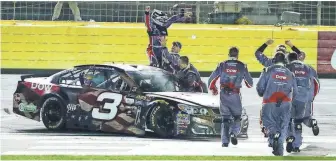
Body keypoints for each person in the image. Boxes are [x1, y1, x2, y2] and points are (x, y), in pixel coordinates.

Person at [208, 47, 253, 147]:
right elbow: (250, 84)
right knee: (237, 117)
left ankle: (224, 142)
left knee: (225, 119)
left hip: (223, 94)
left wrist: (213, 89)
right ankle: (233, 132)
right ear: (237, 55)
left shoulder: (222, 64)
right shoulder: (242, 66)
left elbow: (211, 79)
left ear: (228, 54)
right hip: (235, 95)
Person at [256, 39, 302, 136]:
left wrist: (266, 44)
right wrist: (291, 45)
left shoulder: (269, 64)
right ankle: (289, 135)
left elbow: (258, 53)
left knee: (266, 114)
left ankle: (268, 130)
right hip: (285, 98)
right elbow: (300, 56)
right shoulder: (290, 66)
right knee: (287, 118)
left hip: (270, 97)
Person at [256, 52, 298, 156]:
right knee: (283, 125)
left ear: (274, 59)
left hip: (269, 101)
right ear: (285, 61)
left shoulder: (267, 70)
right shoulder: (290, 73)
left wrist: (262, 93)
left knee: (268, 123)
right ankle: (279, 151)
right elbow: (296, 92)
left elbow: (260, 87)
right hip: (285, 103)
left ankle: (274, 134)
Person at [285, 52, 320, 153]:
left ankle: (290, 138)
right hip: (304, 98)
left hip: (290, 97)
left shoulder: (287, 67)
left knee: (288, 119)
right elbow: (316, 83)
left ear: (288, 60)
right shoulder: (309, 68)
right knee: (299, 121)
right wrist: (311, 97)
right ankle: (297, 146)